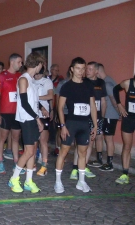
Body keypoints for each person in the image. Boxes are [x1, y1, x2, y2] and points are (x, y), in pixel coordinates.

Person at [55, 57, 97, 193]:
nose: (81, 71)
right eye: (78, 68)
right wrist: (63, 126)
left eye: (83, 68)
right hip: (71, 124)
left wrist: (95, 125)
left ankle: (81, 181)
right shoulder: (66, 86)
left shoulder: (88, 85)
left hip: (84, 124)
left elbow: (92, 106)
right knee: (64, 151)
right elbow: (60, 107)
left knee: (83, 152)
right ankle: (58, 181)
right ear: (72, 69)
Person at [8, 52, 45, 193]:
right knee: (28, 151)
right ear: (38, 64)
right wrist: (37, 118)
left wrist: (40, 112)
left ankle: (29, 181)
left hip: (32, 118)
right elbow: (24, 103)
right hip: (27, 119)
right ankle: (14, 178)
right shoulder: (23, 79)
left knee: (33, 151)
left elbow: (33, 101)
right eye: (42, 64)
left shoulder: (31, 80)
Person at [0, 54, 22, 173]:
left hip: (18, 113)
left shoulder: (20, 76)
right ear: (12, 62)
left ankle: (16, 163)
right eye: (19, 62)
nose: (21, 65)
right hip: (5, 112)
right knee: (3, 138)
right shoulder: (2, 76)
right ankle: (0, 161)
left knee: (16, 138)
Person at [82, 62, 107, 176]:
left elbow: (103, 100)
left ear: (96, 71)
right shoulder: (84, 81)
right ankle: (82, 165)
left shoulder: (101, 83)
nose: (87, 71)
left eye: (90, 69)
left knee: (95, 138)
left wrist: (102, 116)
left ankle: (86, 164)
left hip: (97, 116)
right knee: (87, 141)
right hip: (85, 115)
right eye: (87, 69)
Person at [113, 73, 135, 184]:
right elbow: (115, 89)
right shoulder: (127, 83)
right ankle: (125, 174)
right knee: (127, 146)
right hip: (129, 118)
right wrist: (119, 105)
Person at [97, 63, 119, 171]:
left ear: (98, 71)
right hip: (106, 114)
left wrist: (119, 113)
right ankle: (99, 159)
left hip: (110, 114)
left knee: (109, 139)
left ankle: (110, 163)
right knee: (101, 136)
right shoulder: (106, 81)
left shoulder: (107, 83)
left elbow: (114, 100)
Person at [33, 67, 53, 176]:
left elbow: (50, 95)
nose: (37, 77)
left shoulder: (46, 81)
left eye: (39, 74)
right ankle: (33, 164)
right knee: (34, 141)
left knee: (43, 141)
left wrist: (36, 97)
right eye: (36, 74)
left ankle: (44, 165)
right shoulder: (30, 81)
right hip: (32, 114)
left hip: (43, 115)